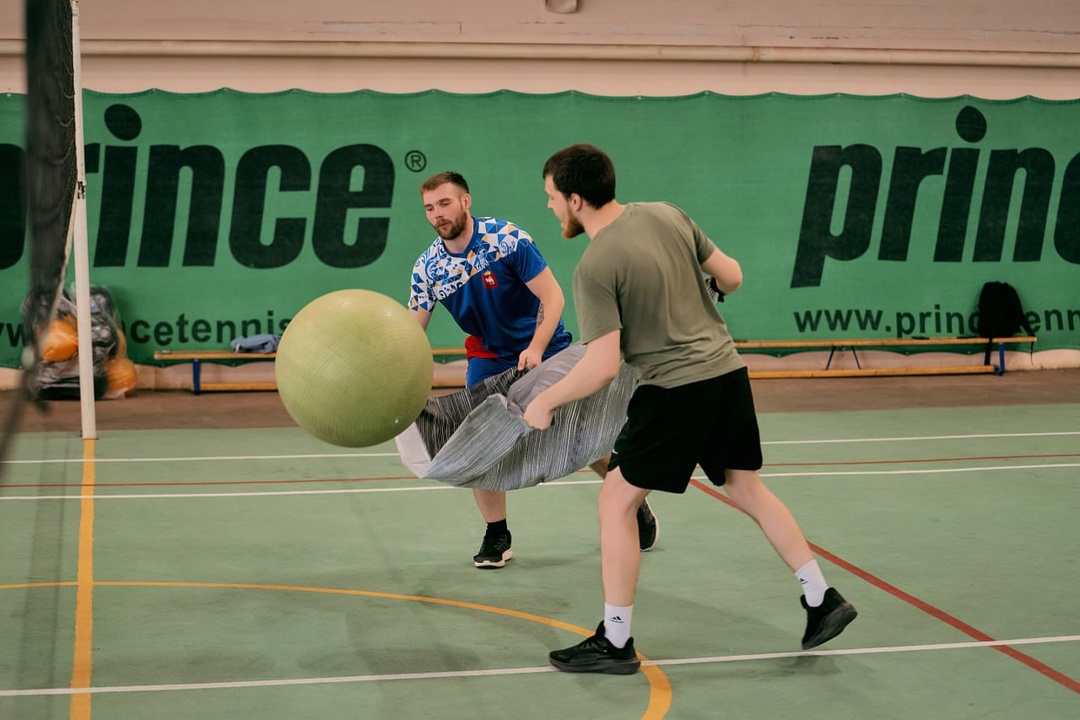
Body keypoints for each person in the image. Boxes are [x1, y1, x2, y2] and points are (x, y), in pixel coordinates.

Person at [524, 144, 857, 674]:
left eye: (552, 198)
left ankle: (615, 643)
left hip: (675, 390)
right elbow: (732, 276)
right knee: (747, 487)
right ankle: (821, 598)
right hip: (726, 374)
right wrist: (708, 289)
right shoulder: (667, 214)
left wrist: (544, 401)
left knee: (616, 501)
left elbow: (604, 365)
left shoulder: (594, 266)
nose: (550, 207)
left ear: (576, 199)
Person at [409, 171, 659, 569]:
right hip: (489, 358)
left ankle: (634, 505)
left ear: (465, 201)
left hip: (547, 346)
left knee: (581, 436)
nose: (437, 214)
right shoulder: (428, 269)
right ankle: (497, 534)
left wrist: (537, 347)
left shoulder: (507, 239)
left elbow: (553, 296)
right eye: (429, 208)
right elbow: (410, 336)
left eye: (444, 203)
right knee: (480, 440)